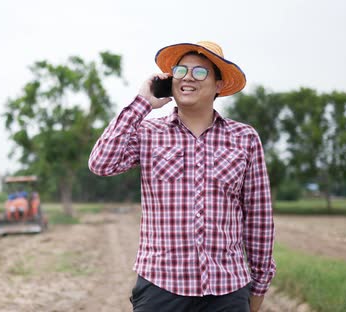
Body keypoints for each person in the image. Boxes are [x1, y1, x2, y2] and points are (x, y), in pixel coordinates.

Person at [88, 41, 276, 312]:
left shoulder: (244, 139)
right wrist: (143, 103)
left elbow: (259, 218)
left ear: (219, 85)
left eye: (200, 72)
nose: (188, 77)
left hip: (228, 291)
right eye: (180, 70)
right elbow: (101, 163)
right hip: (161, 289)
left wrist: (258, 287)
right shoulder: (149, 133)